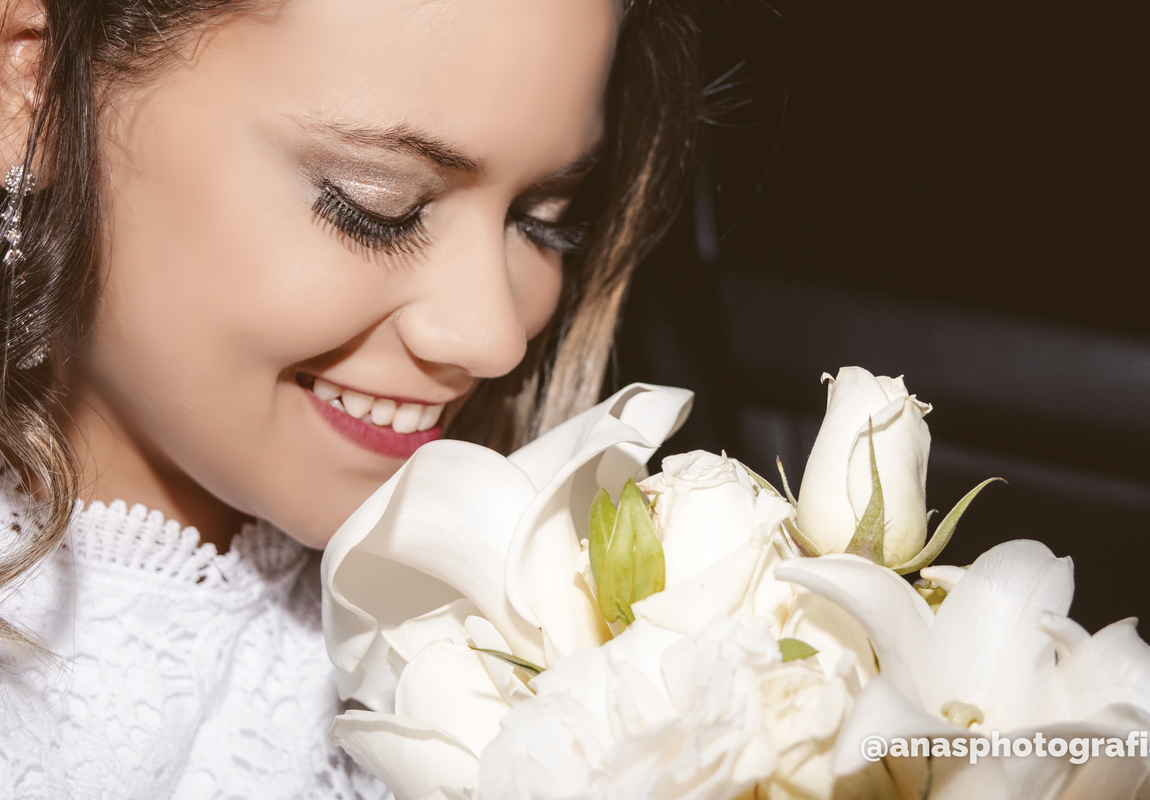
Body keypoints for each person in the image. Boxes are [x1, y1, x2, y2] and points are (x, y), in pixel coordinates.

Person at [0, 0, 703, 796]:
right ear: (33, 86)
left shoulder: (580, 649)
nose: (494, 337)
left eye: (543, 222)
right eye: (376, 206)